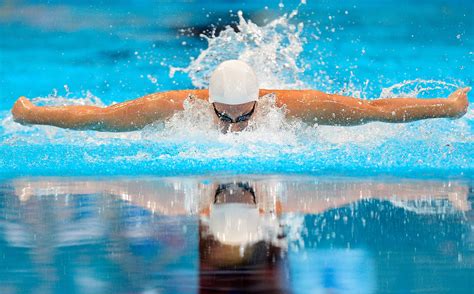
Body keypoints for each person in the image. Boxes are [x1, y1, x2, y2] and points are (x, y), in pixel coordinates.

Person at [11, 60, 470, 133]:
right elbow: (101, 118)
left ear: (260, 102)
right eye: (222, 116)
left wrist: (448, 108)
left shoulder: (293, 105)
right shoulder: (177, 106)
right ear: (204, 100)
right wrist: (32, 115)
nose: (234, 127)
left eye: (243, 115)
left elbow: (376, 112)